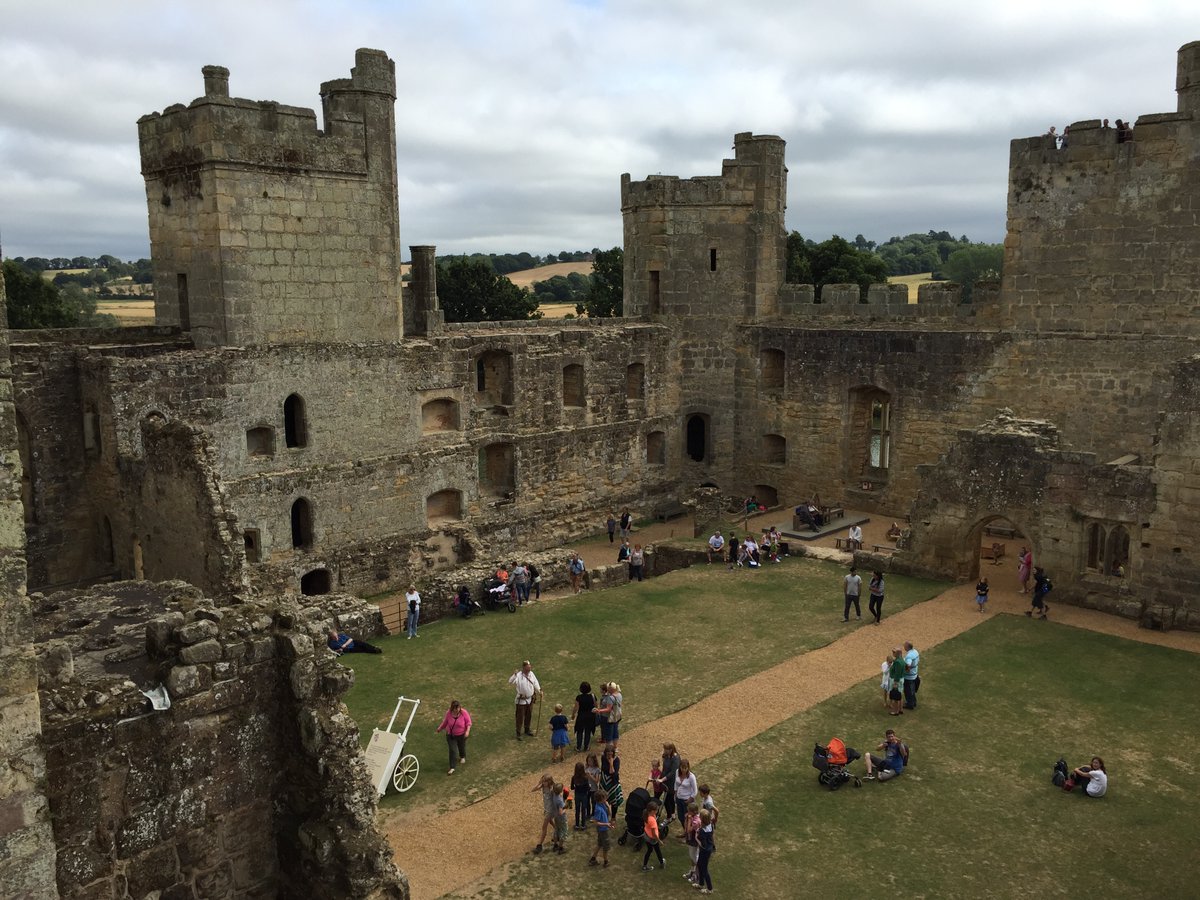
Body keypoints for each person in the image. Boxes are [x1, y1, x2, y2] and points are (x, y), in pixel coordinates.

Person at [434, 699, 472, 775]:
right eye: (455, 708)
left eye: (458, 708)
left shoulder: (464, 712)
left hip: (461, 734)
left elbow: (468, 722)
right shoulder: (448, 713)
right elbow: (445, 722)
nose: (457, 710)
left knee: (461, 746)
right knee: (453, 750)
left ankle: (462, 756)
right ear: (452, 708)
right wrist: (440, 728)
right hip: (451, 735)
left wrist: (467, 731)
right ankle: (452, 767)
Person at [509, 660, 541, 740]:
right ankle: (518, 733)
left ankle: (527, 729)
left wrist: (539, 690)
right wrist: (514, 675)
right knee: (520, 717)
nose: (529, 668)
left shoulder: (531, 674)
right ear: (524, 667)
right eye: (528, 667)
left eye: (530, 666)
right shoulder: (518, 675)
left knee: (528, 715)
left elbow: (535, 682)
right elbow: (510, 681)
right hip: (521, 701)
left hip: (529, 699)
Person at [531, 774, 557, 854]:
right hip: (546, 809)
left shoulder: (552, 789)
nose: (543, 782)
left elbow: (556, 799)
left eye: (544, 781)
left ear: (549, 782)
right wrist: (539, 783)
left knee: (544, 827)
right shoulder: (543, 786)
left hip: (550, 810)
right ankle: (557, 830)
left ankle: (539, 846)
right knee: (550, 821)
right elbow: (533, 790)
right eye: (543, 780)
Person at [589, 788, 612, 868]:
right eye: (605, 797)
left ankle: (593, 859)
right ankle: (606, 862)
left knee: (600, 844)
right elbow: (595, 822)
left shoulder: (602, 804)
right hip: (603, 830)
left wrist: (608, 806)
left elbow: (609, 814)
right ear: (601, 799)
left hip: (603, 829)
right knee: (605, 847)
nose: (606, 799)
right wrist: (606, 824)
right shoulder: (598, 809)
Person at [673, 758, 698, 831]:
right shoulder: (677, 772)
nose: (683, 770)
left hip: (686, 801)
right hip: (678, 798)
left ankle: (689, 834)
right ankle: (685, 831)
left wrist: (690, 799)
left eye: (685, 768)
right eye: (682, 768)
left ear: (688, 767)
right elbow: (676, 783)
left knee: (688, 818)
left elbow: (695, 790)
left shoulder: (691, 777)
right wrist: (675, 794)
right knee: (681, 817)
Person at [572, 681, 597, 752]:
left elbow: (576, 707)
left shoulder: (579, 697)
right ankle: (586, 746)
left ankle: (578, 747)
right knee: (588, 732)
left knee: (579, 731)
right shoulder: (592, 696)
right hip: (590, 716)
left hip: (581, 716)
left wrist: (573, 715)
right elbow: (596, 706)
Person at [600, 745, 623, 821]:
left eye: (611, 754)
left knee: (614, 801)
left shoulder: (616, 760)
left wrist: (611, 763)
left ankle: (613, 817)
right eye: (608, 754)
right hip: (604, 781)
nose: (609, 756)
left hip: (613, 782)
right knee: (602, 799)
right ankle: (604, 815)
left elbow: (613, 772)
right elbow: (604, 769)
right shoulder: (603, 758)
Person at [640, 799, 665, 870]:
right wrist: (659, 841)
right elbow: (654, 834)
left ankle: (644, 865)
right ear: (652, 811)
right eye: (656, 810)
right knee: (657, 850)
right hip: (652, 838)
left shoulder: (645, 813)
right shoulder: (652, 821)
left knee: (649, 850)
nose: (657, 812)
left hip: (646, 835)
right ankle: (661, 863)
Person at [696, 808, 716, 894]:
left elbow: (702, 844)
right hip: (709, 848)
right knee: (699, 865)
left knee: (704, 869)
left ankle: (710, 889)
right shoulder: (710, 825)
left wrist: (696, 837)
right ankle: (701, 883)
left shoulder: (701, 831)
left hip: (705, 850)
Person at [660, 742, 681, 819]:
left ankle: (671, 814)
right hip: (665, 780)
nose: (664, 750)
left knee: (670, 798)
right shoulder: (666, 755)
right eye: (664, 749)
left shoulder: (675, 758)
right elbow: (664, 768)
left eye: (666, 749)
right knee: (666, 799)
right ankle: (670, 813)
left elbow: (673, 772)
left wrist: (663, 779)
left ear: (671, 749)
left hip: (672, 781)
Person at [683, 801, 701, 884]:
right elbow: (685, 826)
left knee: (694, 857)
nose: (687, 813)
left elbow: (688, 829)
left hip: (694, 841)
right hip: (690, 839)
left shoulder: (696, 820)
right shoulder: (689, 816)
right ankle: (692, 871)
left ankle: (696, 875)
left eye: (689, 811)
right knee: (692, 856)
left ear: (694, 812)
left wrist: (689, 819)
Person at [571, 761, 592, 831]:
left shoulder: (574, 778)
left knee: (577, 810)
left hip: (577, 795)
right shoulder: (585, 778)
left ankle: (577, 825)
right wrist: (589, 786)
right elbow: (588, 788)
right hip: (584, 796)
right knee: (583, 810)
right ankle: (583, 825)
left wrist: (577, 786)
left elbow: (572, 787)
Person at [888, 647, 906, 716]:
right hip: (901, 679)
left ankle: (896, 712)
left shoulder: (897, 662)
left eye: (894, 652)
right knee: (899, 695)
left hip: (896, 680)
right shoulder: (901, 660)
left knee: (895, 696)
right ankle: (901, 710)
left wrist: (895, 683)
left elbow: (897, 673)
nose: (893, 653)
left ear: (898, 653)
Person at [903, 641, 920, 710]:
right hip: (915, 674)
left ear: (907, 647)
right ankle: (913, 702)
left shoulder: (909, 656)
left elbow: (908, 665)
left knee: (908, 691)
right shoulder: (915, 651)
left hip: (909, 677)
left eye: (904, 646)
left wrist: (905, 671)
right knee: (912, 690)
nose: (904, 647)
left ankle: (910, 705)